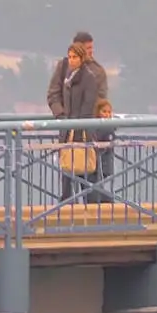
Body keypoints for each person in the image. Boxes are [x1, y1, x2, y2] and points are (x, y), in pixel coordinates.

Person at [48, 31, 109, 198]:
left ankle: (94, 211)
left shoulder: (96, 73)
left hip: (89, 131)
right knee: (68, 175)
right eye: (87, 48)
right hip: (67, 131)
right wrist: (61, 117)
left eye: (91, 48)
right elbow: (53, 94)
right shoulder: (64, 68)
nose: (91, 52)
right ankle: (68, 210)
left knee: (90, 176)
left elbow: (100, 101)